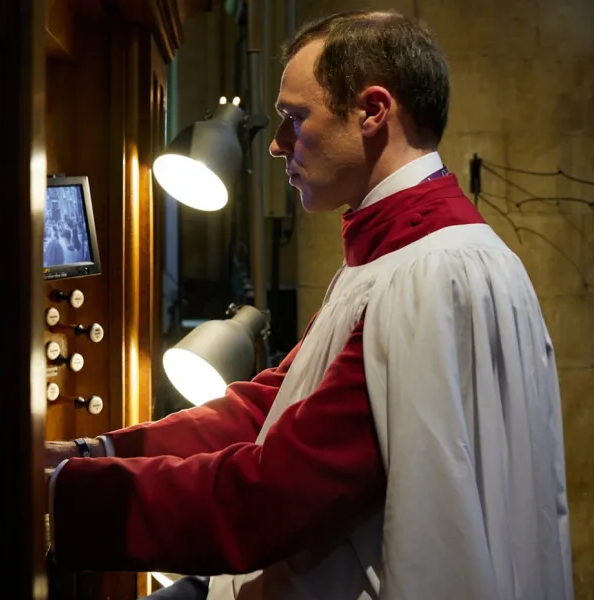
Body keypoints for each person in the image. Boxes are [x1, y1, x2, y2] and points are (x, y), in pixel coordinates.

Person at [45, 9, 574, 600]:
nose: (276, 145)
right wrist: (98, 451)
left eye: (296, 119)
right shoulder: (415, 253)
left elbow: (277, 492)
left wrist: (63, 494)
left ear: (374, 111)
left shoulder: (427, 275)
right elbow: (273, 403)